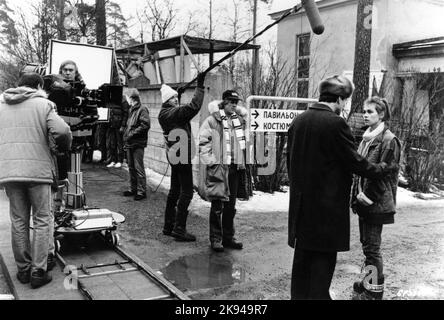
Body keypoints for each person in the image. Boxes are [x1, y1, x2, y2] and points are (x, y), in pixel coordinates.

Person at [286, 75, 398, 300]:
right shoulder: (335, 123)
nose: (345, 106)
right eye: (345, 101)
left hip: (301, 209)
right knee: (322, 266)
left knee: (302, 264)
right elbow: (355, 162)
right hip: (326, 212)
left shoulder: (299, 121)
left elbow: (290, 163)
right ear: (338, 99)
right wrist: (383, 169)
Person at [0, 73, 72, 289]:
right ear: (40, 86)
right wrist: (61, 148)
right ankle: (38, 271)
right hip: (37, 171)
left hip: (10, 172)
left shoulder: (2, 105)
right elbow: (62, 131)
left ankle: (23, 270)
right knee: (42, 219)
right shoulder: (44, 104)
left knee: (18, 220)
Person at [350, 96, 401, 300]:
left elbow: (385, 173)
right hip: (364, 201)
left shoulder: (389, 140)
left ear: (381, 114)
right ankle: (369, 281)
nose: (365, 114)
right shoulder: (367, 138)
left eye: (370, 111)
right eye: (364, 111)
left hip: (375, 203)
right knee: (367, 245)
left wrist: (366, 197)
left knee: (372, 249)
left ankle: (373, 293)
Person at [158, 72, 206, 242]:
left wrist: (177, 93)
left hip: (174, 155)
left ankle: (168, 226)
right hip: (182, 155)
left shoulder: (164, 113)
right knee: (187, 192)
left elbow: (177, 108)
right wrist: (200, 86)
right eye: (173, 99)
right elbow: (193, 107)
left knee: (174, 191)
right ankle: (179, 228)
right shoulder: (172, 114)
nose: (176, 100)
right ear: (167, 101)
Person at [199, 90, 248, 252]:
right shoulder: (212, 120)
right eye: (231, 101)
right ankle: (216, 239)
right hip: (219, 167)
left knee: (231, 206)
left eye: (236, 102)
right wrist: (211, 162)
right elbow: (203, 142)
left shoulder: (238, 120)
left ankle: (228, 237)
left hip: (234, 167)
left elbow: (244, 141)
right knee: (217, 205)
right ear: (224, 102)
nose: (235, 104)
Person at [123, 88, 150, 201]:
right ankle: (133, 189)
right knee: (131, 167)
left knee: (138, 168)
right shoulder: (132, 109)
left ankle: (141, 191)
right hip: (131, 142)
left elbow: (145, 125)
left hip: (137, 143)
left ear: (131, 98)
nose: (126, 99)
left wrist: (131, 134)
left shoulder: (142, 109)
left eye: (127, 97)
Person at [105, 97, 128, 169]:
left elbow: (126, 113)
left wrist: (123, 125)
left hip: (119, 125)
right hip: (111, 125)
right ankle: (113, 160)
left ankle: (119, 160)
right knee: (112, 143)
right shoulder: (110, 98)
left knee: (119, 143)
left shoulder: (122, 99)